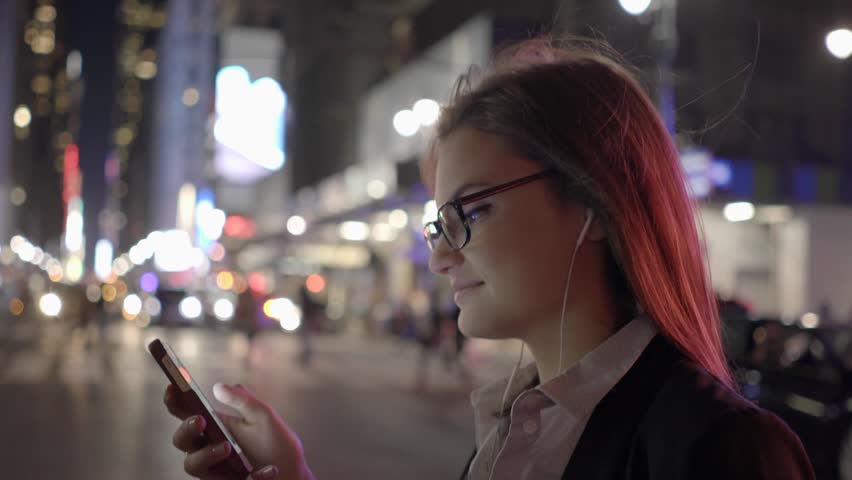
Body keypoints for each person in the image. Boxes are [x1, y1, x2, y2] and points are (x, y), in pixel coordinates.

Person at [162, 36, 815, 480]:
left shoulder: (718, 448)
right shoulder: (520, 421)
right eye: (436, 224)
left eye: (470, 214)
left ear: (591, 202)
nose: (441, 254)